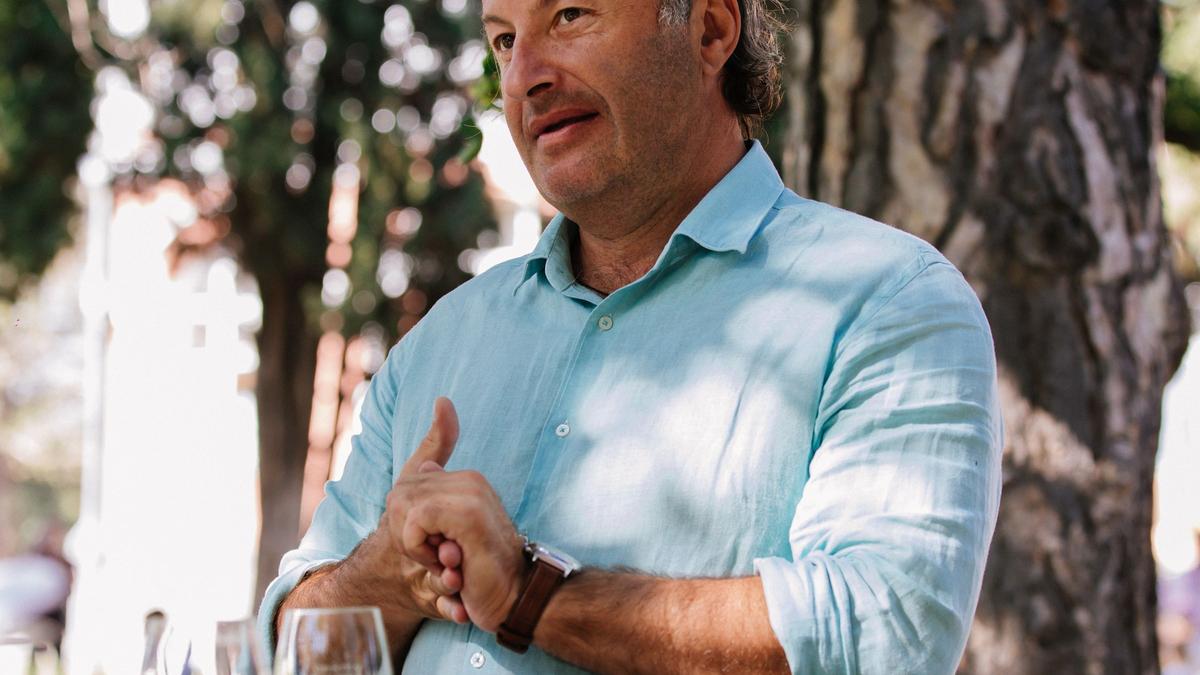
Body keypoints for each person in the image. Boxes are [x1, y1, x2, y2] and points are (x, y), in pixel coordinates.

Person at [258, 0, 1003, 671]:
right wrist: (385, 575)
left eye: (570, 16)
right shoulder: (439, 341)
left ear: (710, 29)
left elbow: (884, 634)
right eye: (504, 40)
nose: (524, 77)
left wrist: (530, 594)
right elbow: (285, 648)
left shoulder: (886, 301)